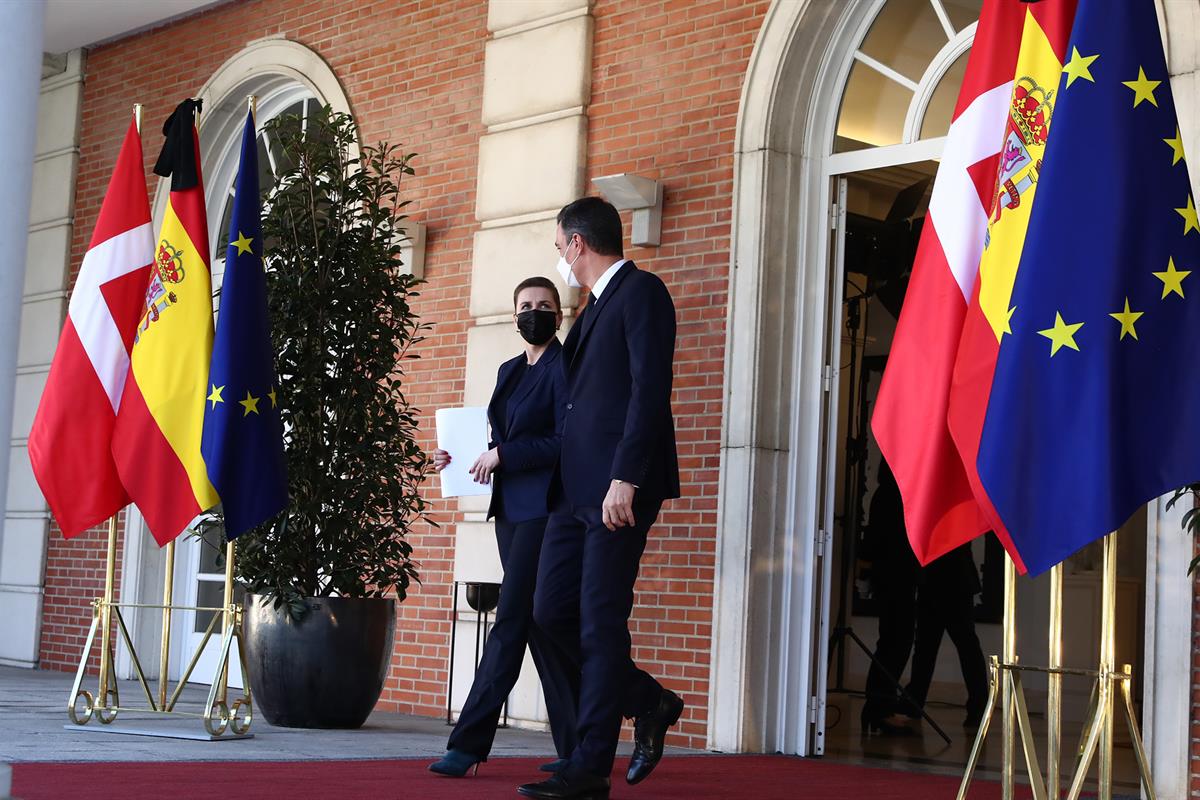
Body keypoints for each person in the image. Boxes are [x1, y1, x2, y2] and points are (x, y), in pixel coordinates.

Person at [518, 197, 683, 800]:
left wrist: (628, 476)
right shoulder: (591, 309)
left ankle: (588, 767)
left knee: (598, 621)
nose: (559, 257)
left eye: (560, 247)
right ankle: (648, 701)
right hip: (573, 492)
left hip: (618, 489)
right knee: (551, 610)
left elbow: (649, 391)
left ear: (578, 245)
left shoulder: (642, 294)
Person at [428, 277, 580, 778]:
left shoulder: (566, 366)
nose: (533, 313)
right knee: (539, 624)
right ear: (513, 315)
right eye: (525, 306)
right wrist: (456, 458)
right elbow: (497, 436)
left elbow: (565, 442)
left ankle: (468, 744)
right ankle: (581, 747)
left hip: (546, 510)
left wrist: (504, 454)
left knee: (512, 618)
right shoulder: (509, 370)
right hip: (509, 512)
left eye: (543, 306)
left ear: (559, 314)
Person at [860, 459, 920, 736]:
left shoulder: (885, 494)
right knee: (895, 642)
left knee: (894, 642)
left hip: (893, 578)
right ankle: (879, 708)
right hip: (896, 578)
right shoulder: (891, 496)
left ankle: (879, 707)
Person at [902, 544, 989, 729]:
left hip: (949, 579)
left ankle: (978, 707)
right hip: (943, 578)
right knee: (938, 647)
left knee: (958, 647)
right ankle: (977, 707)